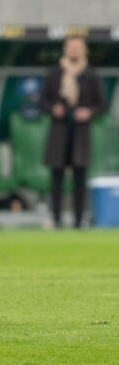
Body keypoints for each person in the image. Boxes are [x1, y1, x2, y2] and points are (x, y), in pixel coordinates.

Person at [41, 36, 104, 228]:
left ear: (84, 50)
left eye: (78, 47)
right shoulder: (54, 73)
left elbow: (101, 105)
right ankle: (57, 219)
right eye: (71, 47)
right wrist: (54, 109)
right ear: (65, 49)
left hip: (81, 131)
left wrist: (88, 112)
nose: (75, 51)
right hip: (59, 130)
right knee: (57, 177)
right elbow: (43, 101)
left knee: (79, 177)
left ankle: (79, 220)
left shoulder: (91, 74)